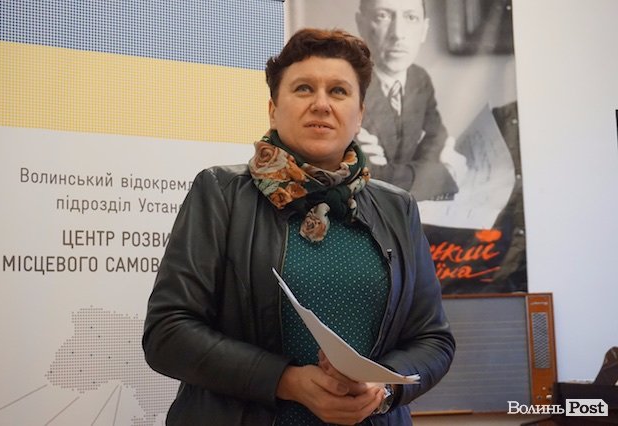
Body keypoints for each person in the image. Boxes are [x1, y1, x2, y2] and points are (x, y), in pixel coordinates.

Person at [143, 28, 454, 426]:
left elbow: (433, 339)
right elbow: (168, 333)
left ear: (360, 114)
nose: (321, 104)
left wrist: (384, 389)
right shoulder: (220, 193)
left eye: (338, 91)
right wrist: (286, 381)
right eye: (304, 88)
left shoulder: (398, 207)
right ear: (273, 109)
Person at [356, 0, 459, 201]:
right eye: (383, 16)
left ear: (424, 29)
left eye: (411, 17)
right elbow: (369, 177)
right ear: (361, 24)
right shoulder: (346, 87)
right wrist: (440, 175)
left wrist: (420, 172)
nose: (398, 34)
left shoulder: (419, 79)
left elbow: (436, 136)